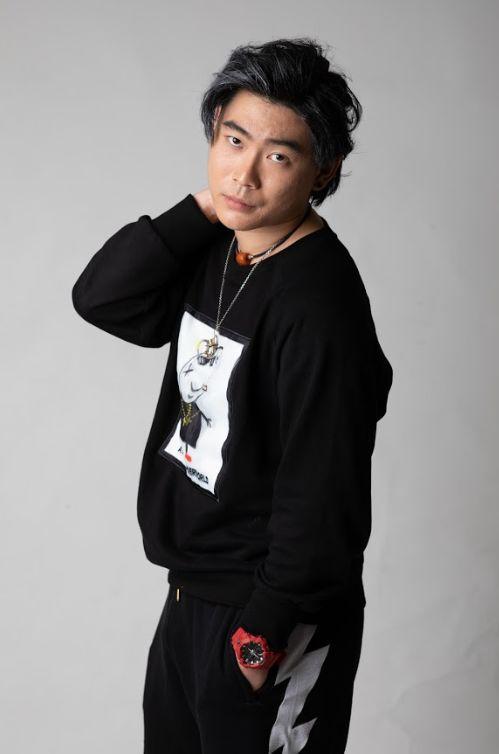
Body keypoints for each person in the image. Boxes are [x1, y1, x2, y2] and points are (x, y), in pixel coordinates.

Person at [71, 36, 394, 754]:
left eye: (277, 156)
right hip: (191, 595)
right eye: (232, 140)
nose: (242, 173)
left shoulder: (320, 307)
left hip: (269, 615)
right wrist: (200, 210)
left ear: (322, 170)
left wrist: (264, 632)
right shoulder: (223, 247)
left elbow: (324, 492)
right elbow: (101, 299)